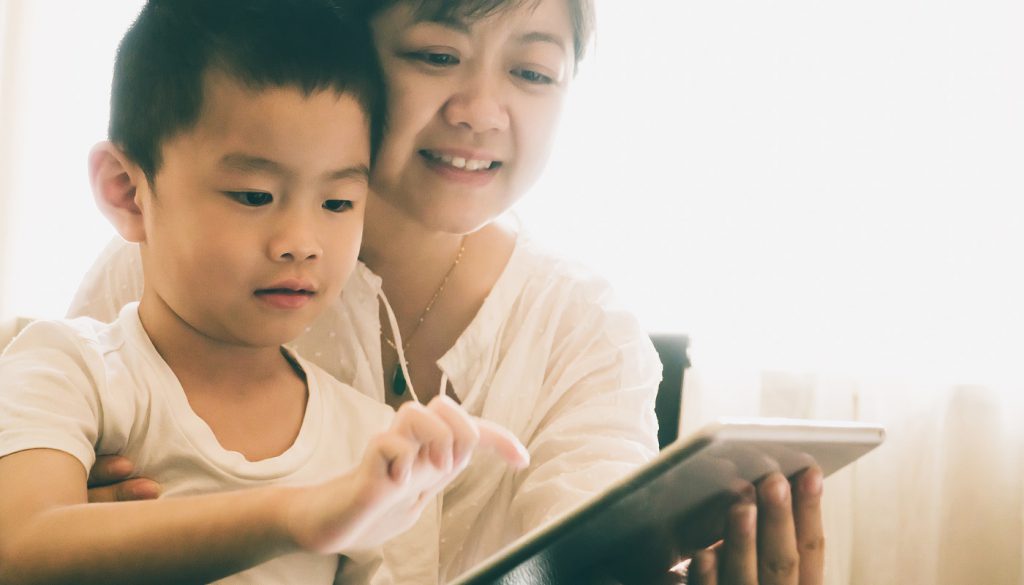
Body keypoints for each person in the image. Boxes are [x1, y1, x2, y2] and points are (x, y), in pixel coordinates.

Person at [70, 0, 827, 583]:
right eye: (437, 55)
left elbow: (588, 557)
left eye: (532, 73)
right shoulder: (161, 266)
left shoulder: (584, 329)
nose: (479, 111)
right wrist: (76, 529)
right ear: (352, 52)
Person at [0, 1, 529, 583]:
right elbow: (20, 545)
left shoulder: (374, 443)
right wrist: (302, 515)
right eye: (254, 195)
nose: (300, 243)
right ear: (128, 192)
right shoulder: (70, 367)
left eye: (337, 203)